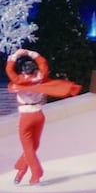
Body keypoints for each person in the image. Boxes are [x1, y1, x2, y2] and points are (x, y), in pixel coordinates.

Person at [6, 47, 82, 185]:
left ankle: (36, 174)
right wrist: (31, 53)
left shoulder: (19, 80)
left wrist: (16, 55)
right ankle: (21, 171)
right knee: (33, 146)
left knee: (29, 148)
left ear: (23, 70)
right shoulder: (40, 77)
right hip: (39, 115)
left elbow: (9, 70)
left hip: (26, 118)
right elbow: (43, 63)